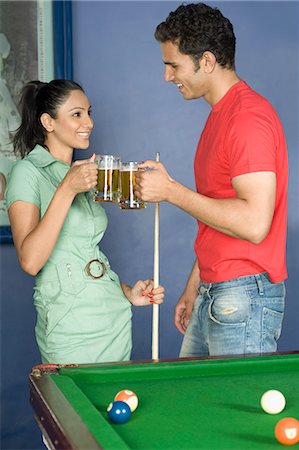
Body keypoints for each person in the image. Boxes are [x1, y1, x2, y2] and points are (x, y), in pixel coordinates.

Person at [135, 3, 288, 357]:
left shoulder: (247, 118)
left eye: (173, 65)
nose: (167, 77)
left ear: (206, 61)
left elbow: (253, 223)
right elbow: (219, 215)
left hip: (242, 294)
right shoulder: (220, 116)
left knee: (235, 411)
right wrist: (194, 286)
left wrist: (172, 192)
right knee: (193, 406)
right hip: (215, 289)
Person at [5, 79, 164, 364]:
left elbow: (83, 252)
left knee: (117, 405)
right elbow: (30, 261)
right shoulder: (27, 172)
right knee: (73, 409)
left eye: (89, 112)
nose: (88, 122)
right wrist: (66, 189)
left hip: (112, 317)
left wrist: (127, 292)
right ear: (48, 122)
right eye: (76, 114)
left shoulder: (84, 175)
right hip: (70, 327)